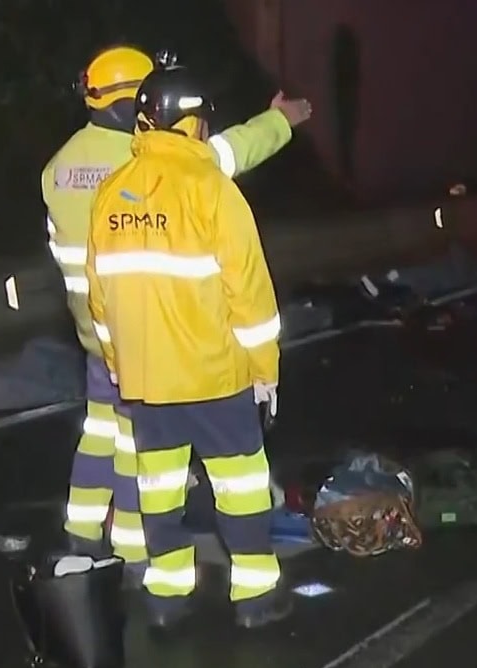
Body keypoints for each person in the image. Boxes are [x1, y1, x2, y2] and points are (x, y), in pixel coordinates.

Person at [41, 45, 311, 582]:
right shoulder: (145, 170)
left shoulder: (60, 168)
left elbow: (89, 276)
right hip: (159, 343)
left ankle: (83, 533)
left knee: (108, 436)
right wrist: (280, 120)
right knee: (145, 458)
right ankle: (136, 554)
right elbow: (229, 153)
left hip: (103, 337)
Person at [86, 61, 289, 629]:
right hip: (215, 378)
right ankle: (255, 598)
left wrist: (119, 365)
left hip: (147, 384)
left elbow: (100, 301)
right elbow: (250, 294)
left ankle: (168, 598)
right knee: (241, 487)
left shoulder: (110, 196)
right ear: (193, 123)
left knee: (160, 493)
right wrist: (265, 369)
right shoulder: (213, 192)